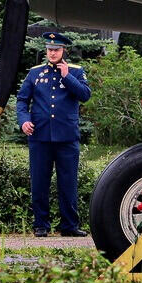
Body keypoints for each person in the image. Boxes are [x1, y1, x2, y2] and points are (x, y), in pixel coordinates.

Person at [16, 32, 91, 237]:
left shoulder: (75, 71)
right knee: (39, 182)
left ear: (64, 50)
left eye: (56, 50)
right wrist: (24, 121)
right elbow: (22, 100)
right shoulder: (35, 73)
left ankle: (70, 226)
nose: (52, 53)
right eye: (49, 50)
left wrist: (67, 77)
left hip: (67, 136)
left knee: (68, 183)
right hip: (40, 136)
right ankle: (41, 225)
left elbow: (85, 95)